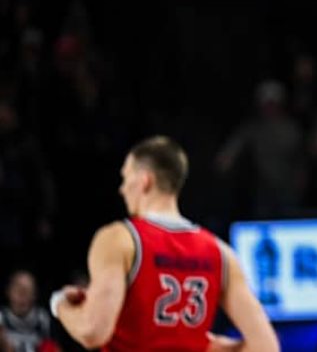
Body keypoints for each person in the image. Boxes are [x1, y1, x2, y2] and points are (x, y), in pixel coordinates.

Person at [50, 136, 279, 351]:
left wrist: (60, 305)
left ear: (144, 181)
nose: (121, 189)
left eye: (125, 178)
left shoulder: (119, 239)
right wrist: (203, 345)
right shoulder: (220, 252)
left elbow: (93, 332)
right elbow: (266, 347)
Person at [0, 271, 53, 352]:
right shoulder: (2, 318)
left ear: (34, 295)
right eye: (18, 290)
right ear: (8, 292)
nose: (23, 296)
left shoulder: (42, 319)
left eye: (28, 291)